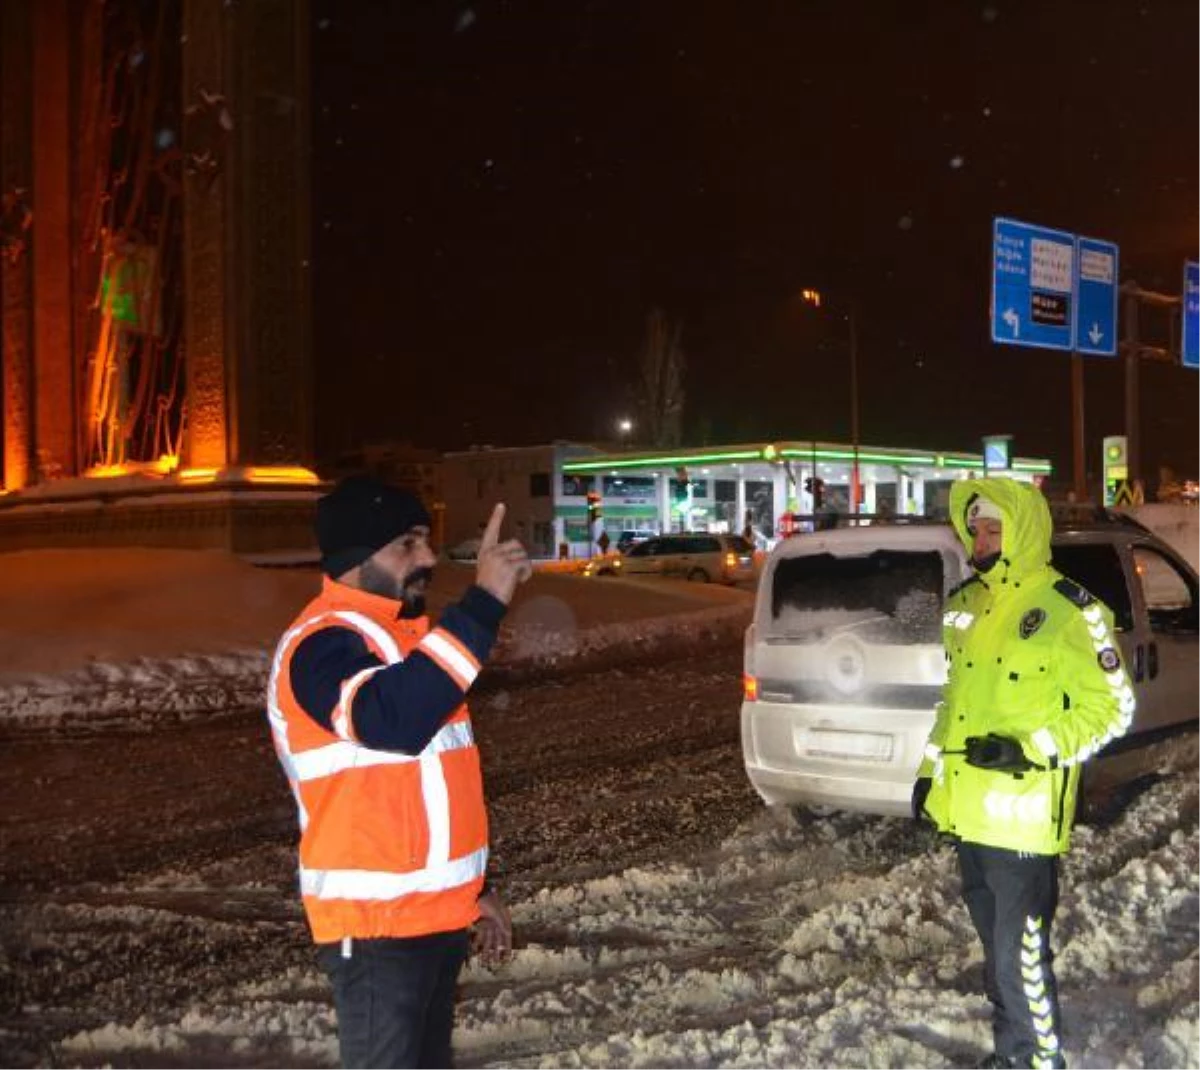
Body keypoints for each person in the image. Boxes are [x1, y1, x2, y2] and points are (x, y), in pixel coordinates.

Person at [266, 475, 532, 1069]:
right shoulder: (322, 642)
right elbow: (390, 718)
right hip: (376, 930)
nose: (430, 558)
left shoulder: (407, 642)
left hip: (434, 921)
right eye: (408, 543)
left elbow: (434, 788)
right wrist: (484, 601)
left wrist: (476, 893)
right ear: (359, 558)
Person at [912, 478, 1135, 1070]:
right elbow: (953, 705)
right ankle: (1012, 1052)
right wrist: (927, 776)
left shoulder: (1070, 610)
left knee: (1020, 959)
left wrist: (1029, 750)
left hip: (1025, 824)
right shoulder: (966, 607)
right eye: (976, 529)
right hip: (969, 817)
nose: (981, 541)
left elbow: (1114, 709)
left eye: (994, 530)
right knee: (996, 957)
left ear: (1025, 531)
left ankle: (1040, 1062)